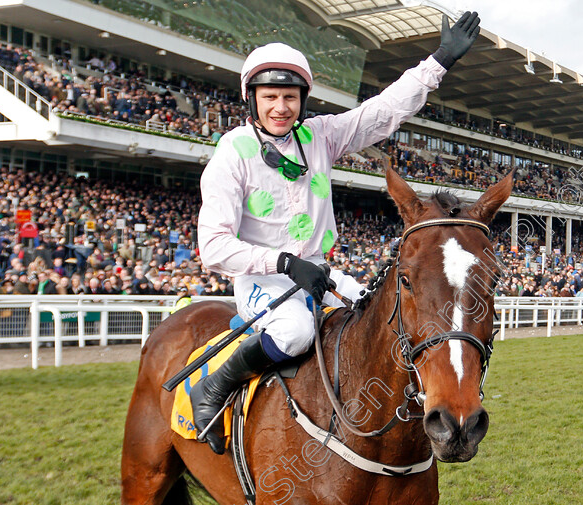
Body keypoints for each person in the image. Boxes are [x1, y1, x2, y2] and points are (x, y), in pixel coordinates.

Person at [191, 12, 481, 454]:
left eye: (289, 97)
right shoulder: (232, 153)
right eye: (270, 97)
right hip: (263, 281)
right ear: (251, 100)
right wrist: (284, 263)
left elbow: (382, 111)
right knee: (295, 334)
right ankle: (213, 386)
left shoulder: (319, 136)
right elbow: (212, 246)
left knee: (383, 321)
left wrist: (439, 61)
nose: (280, 107)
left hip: (321, 273)